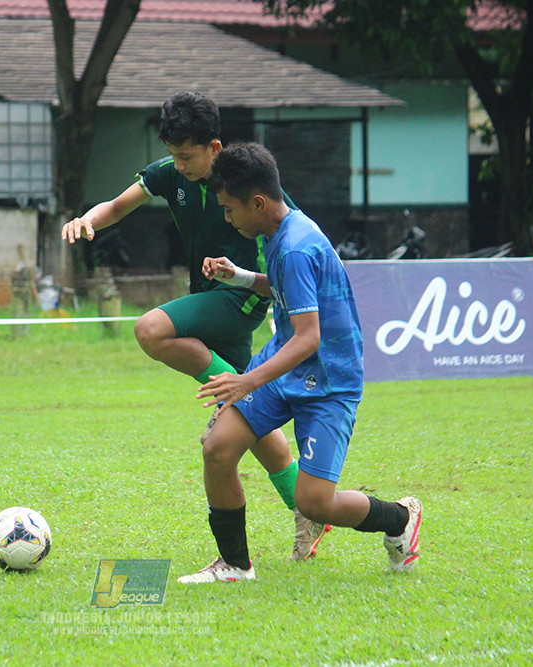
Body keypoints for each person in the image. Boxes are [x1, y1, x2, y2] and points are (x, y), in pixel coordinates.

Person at [61, 91, 326, 561]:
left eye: (187, 156)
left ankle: (228, 388)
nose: (178, 165)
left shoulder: (245, 180)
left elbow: (290, 228)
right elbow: (119, 206)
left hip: (241, 297)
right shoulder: (170, 176)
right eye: (173, 155)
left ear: (214, 148)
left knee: (151, 329)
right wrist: (88, 220)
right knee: (258, 426)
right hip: (209, 298)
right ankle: (308, 513)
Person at [177, 142, 421, 584]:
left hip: (328, 382)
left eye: (230, 210)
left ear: (258, 202)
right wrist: (242, 277)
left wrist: (246, 380)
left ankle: (400, 519)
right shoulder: (280, 231)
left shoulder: (294, 245)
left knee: (314, 504)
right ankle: (234, 564)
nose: (227, 219)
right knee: (218, 449)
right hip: (285, 366)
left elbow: (310, 338)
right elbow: (288, 289)